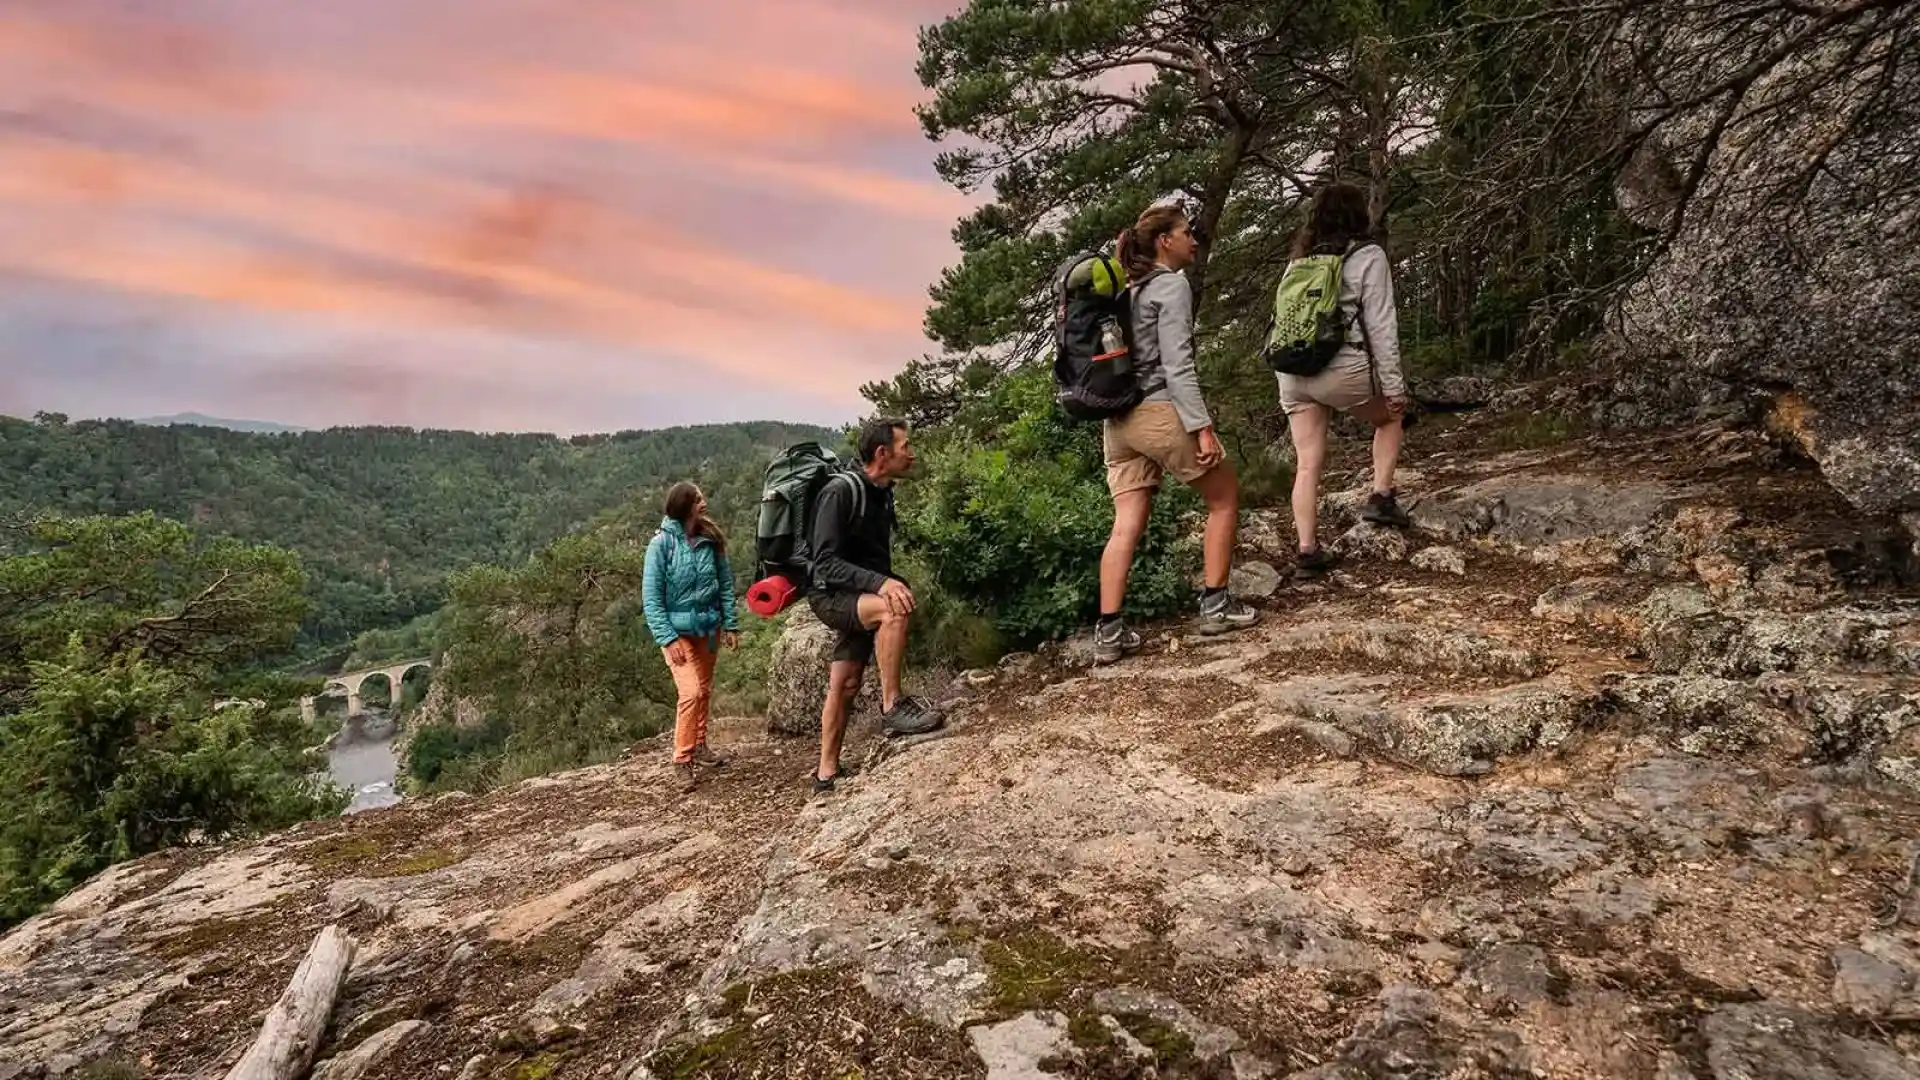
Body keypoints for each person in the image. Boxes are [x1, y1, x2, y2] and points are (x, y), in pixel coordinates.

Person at [1093, 202, 1261, 665]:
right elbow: (1178, 364)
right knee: (1224, 497)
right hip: (1160, 411)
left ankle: (1108, 632)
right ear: (1165, 241)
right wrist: (1202, 428)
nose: (1194, 240)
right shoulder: (1170, 286)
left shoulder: (1127, 290)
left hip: (1118, 420)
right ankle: (1215, 604)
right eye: (1187, 232)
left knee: (1125, 524)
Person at [1277, 183, 1413, 579]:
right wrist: (1394, 389)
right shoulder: (1368, 256)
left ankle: (1307, 551)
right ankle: (1382, 496)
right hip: (1341, 368)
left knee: (1307, 464)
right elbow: (1382, 327)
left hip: (1293, 370)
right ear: (1358, 215)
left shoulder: (1298, 259)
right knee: (1390, 417)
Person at [806, 417, 943, 793]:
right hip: (831, 595)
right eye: (906, 448)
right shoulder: (839, 492)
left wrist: (881, 579)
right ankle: (893, 707)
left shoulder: (882, 491)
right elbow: (825, 562)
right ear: (883, 454)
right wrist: (881, 583)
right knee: (893, 607)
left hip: (859, 592)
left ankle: (825, 774)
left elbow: (873, 555)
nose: (912, 454)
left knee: (846, 681)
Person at [643, 481, 740, 793]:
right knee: (691, 692)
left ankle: (699, 746)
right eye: (698, 499)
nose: (704, 502)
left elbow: (725, 585)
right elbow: (652, 598)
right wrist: (667, 638)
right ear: (684, 505)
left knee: (705, 690)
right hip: (676, 632)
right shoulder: (661, 545)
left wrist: (731, 624)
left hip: (708, 627)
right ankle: (681, 759)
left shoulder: (710, 539)